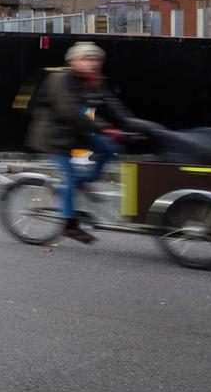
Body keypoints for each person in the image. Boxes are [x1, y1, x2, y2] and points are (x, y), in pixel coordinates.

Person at [25, 42, 133, 244]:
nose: (92, 63)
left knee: (111, 148)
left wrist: (137, 127)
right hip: (53, 137)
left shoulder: (93, 81)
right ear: (73, 61)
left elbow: (114, 107)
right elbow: (71, 111)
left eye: (96, 60)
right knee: (71, 177)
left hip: (77, 134)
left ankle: (85, 180)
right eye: (87, 59)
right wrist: (105, 129)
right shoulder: (60, 79)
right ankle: (69, 224)